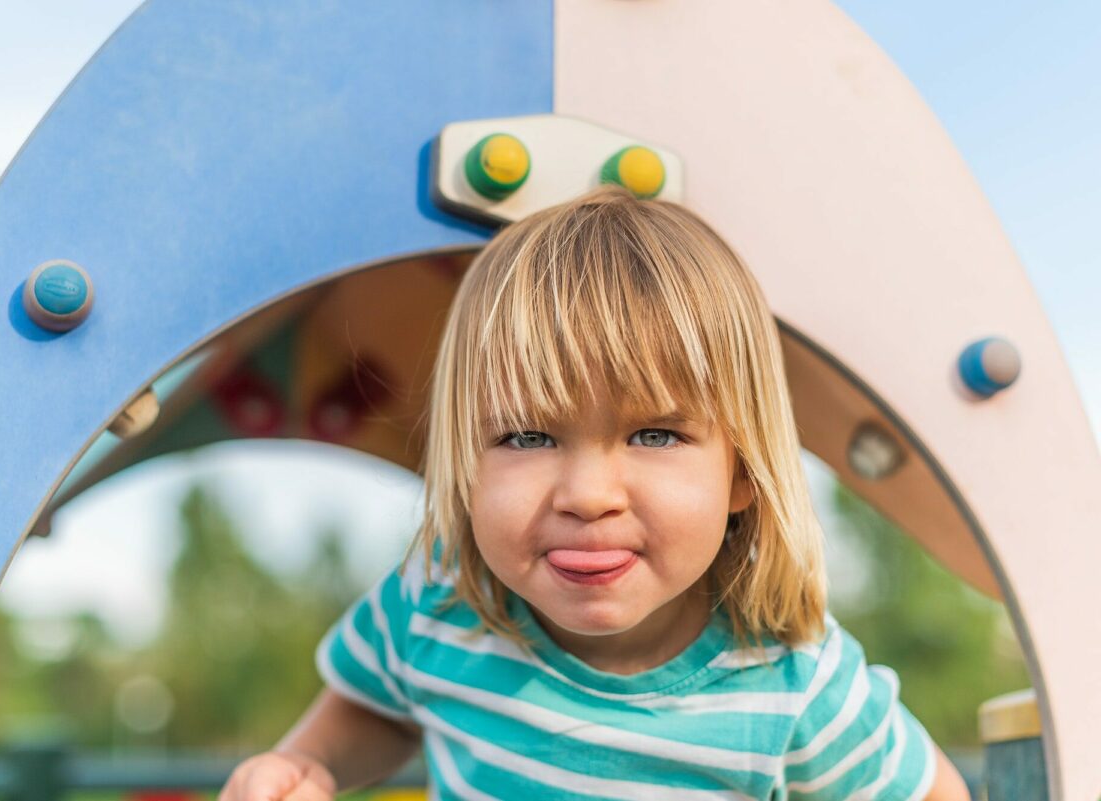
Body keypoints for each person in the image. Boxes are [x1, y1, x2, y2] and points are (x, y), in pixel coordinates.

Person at [218, 186, 971, 800]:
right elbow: (377, 701)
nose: (587, 494)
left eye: (654, 435)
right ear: (465, 463)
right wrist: (310, 763)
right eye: (527, 436)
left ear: (742, 470)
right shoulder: (438, 600)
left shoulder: (791, 683)